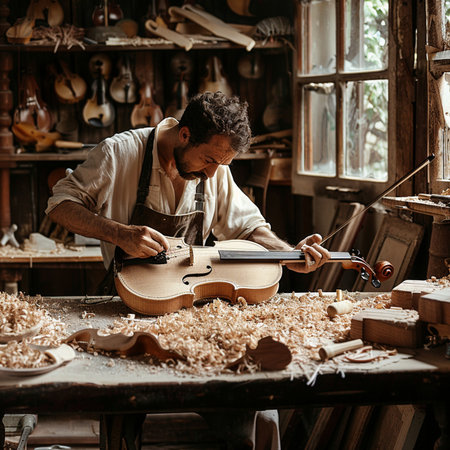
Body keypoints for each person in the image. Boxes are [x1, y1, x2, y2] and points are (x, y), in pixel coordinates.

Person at [46, 91, 330, 449]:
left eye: (221, 165)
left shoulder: (215, 171)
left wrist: (289, 254)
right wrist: (117, 232)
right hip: (131, 311)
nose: (212, 174)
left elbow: (247, 227)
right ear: (184, 136)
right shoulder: (119, 152)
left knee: (243, 406)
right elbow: (60, 204)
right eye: (209, 160)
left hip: (195, 314)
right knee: (124, 412)